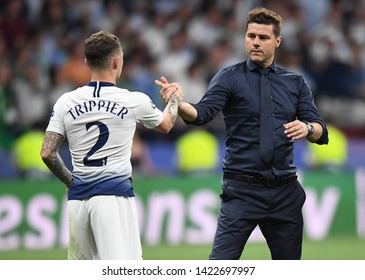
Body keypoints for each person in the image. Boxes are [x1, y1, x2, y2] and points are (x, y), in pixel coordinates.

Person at [156, 7, 329, 260]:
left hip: (285, 193)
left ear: (277, 41)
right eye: (251, 36)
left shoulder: (295, 82)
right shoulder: (229, 77)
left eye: (263, 37)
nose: (256, 42)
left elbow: (321, 131)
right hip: (241, 191)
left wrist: (308, 128)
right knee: (219, 268)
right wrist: (178, 104)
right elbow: (202, 113)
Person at [40, 30, 182, 260]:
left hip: (78, 202)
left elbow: (47, 152)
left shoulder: (66, 102)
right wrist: (174, 98)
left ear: (87, 61)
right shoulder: (133, 100)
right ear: (117, 61)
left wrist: (70, 181)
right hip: (113, 198)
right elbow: (166, 125)